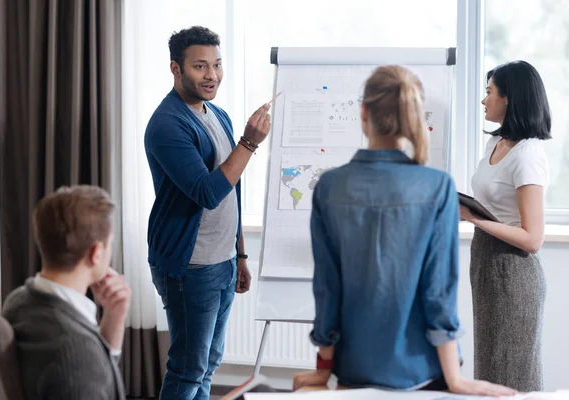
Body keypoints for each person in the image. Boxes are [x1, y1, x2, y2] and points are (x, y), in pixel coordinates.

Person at [292, 65, 517, 397]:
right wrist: (455, 378)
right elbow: (438, 291)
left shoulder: (329, 186)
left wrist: (323, 369)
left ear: (364, 112)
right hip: (424, 370)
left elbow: (327, 287)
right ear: (414, 116)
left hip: (355, 367)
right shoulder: (437, 186)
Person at [144, 26, 271, 400]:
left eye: (216, 65)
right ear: (175, 68)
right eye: (200, 66)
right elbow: (208, 193)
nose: (212, 75)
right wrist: (249, 143)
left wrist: (240, 253)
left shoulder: (217, 114)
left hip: (223, 259)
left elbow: (233, 190)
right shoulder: (167, 124)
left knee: (208, 363)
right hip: (191, 265)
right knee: (188, 369)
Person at [460, 60, 551, 391]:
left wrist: (473, 217)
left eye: (489, 92)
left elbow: (532, 239)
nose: (484, 100)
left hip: (514, 277)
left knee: (514, 378)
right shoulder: (495, 143)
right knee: (489, 371)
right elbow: (494, 205)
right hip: (485, 267)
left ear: (510, 98)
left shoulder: (527, 155)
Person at [3, 185, 129, 400]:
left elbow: (96, 373)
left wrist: (115, 315)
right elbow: (84, 366)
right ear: (96, 253)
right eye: (110, 244)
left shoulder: (19, 300)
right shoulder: (76, 354)